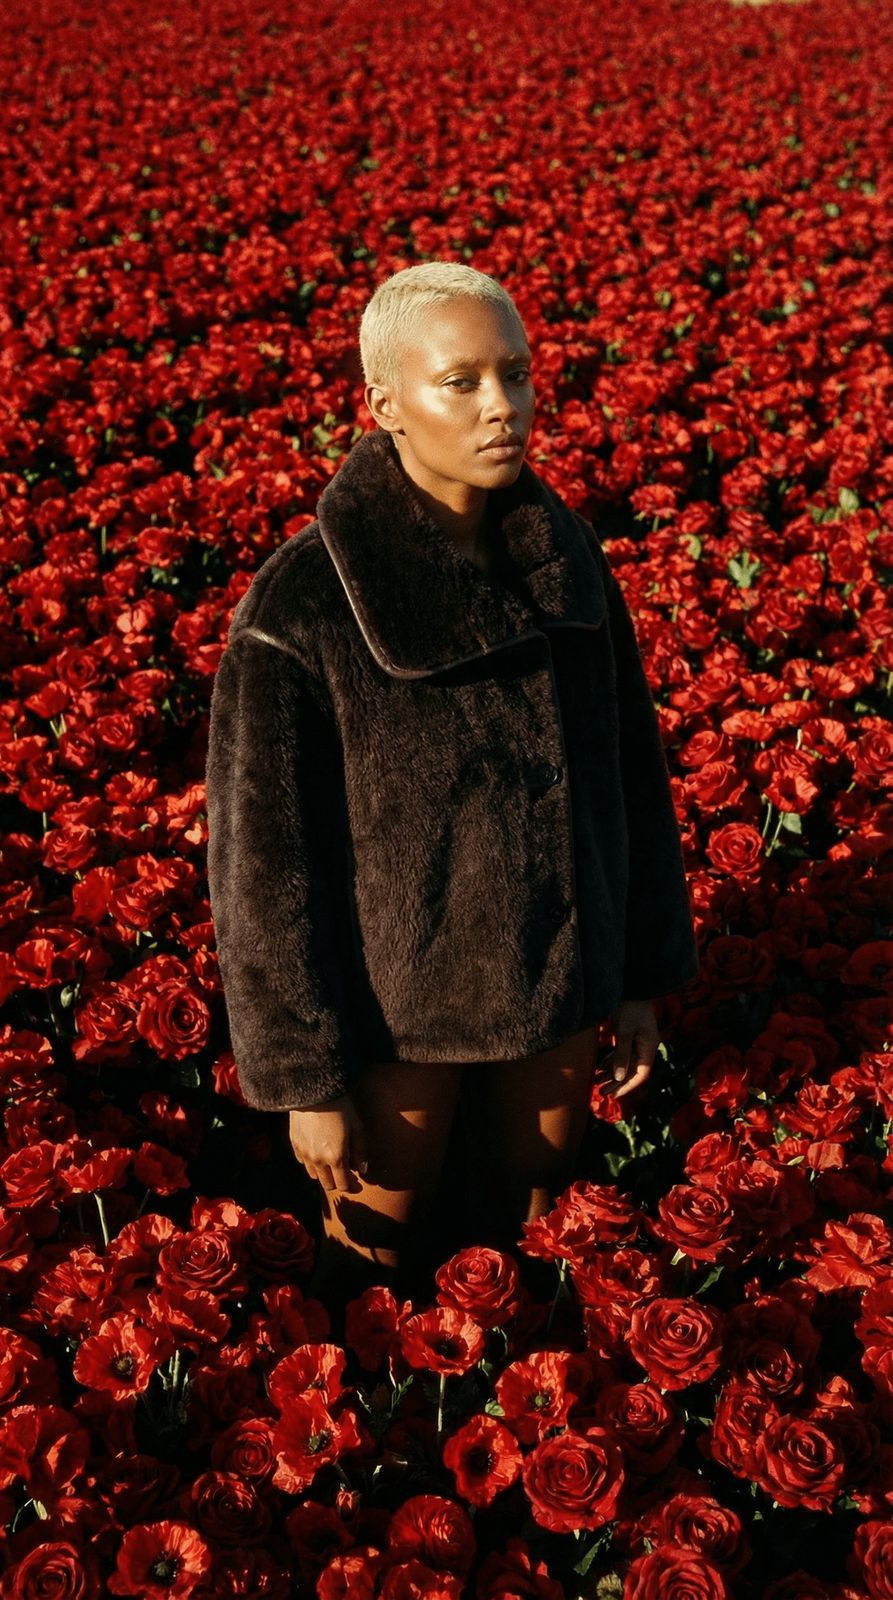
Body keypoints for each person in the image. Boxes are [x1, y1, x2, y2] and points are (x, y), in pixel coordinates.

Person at [204, 262, 700, 1313]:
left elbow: (628, 779)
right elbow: (262, 868)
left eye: (514, 376)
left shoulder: (564, 561)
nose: (501, 408)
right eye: (460, 382)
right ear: (384, 404)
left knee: (527, 1259)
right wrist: (306, 1078)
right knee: (370, 1282)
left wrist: (638, 973)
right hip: (394, 1016)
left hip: (557, 989)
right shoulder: (305, 603)